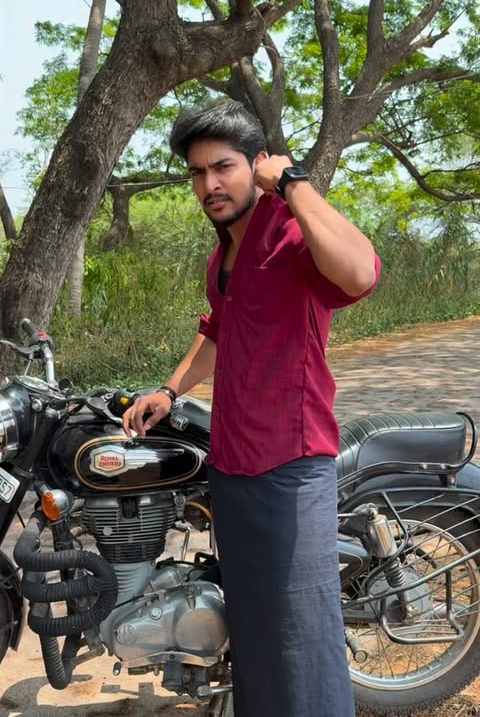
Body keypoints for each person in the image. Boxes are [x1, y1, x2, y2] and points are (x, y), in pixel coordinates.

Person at [122, 101, 381, 717]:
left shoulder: (291, 232)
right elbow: (217, 330)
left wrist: (292, 182)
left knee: (303, 646)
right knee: (259, 640)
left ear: (256, 164)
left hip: (290, 468)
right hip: (233, 467)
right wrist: (170, 390)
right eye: (197, 172)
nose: (209, 184)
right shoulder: (223, 255)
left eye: (224, 167)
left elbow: (360, 273)